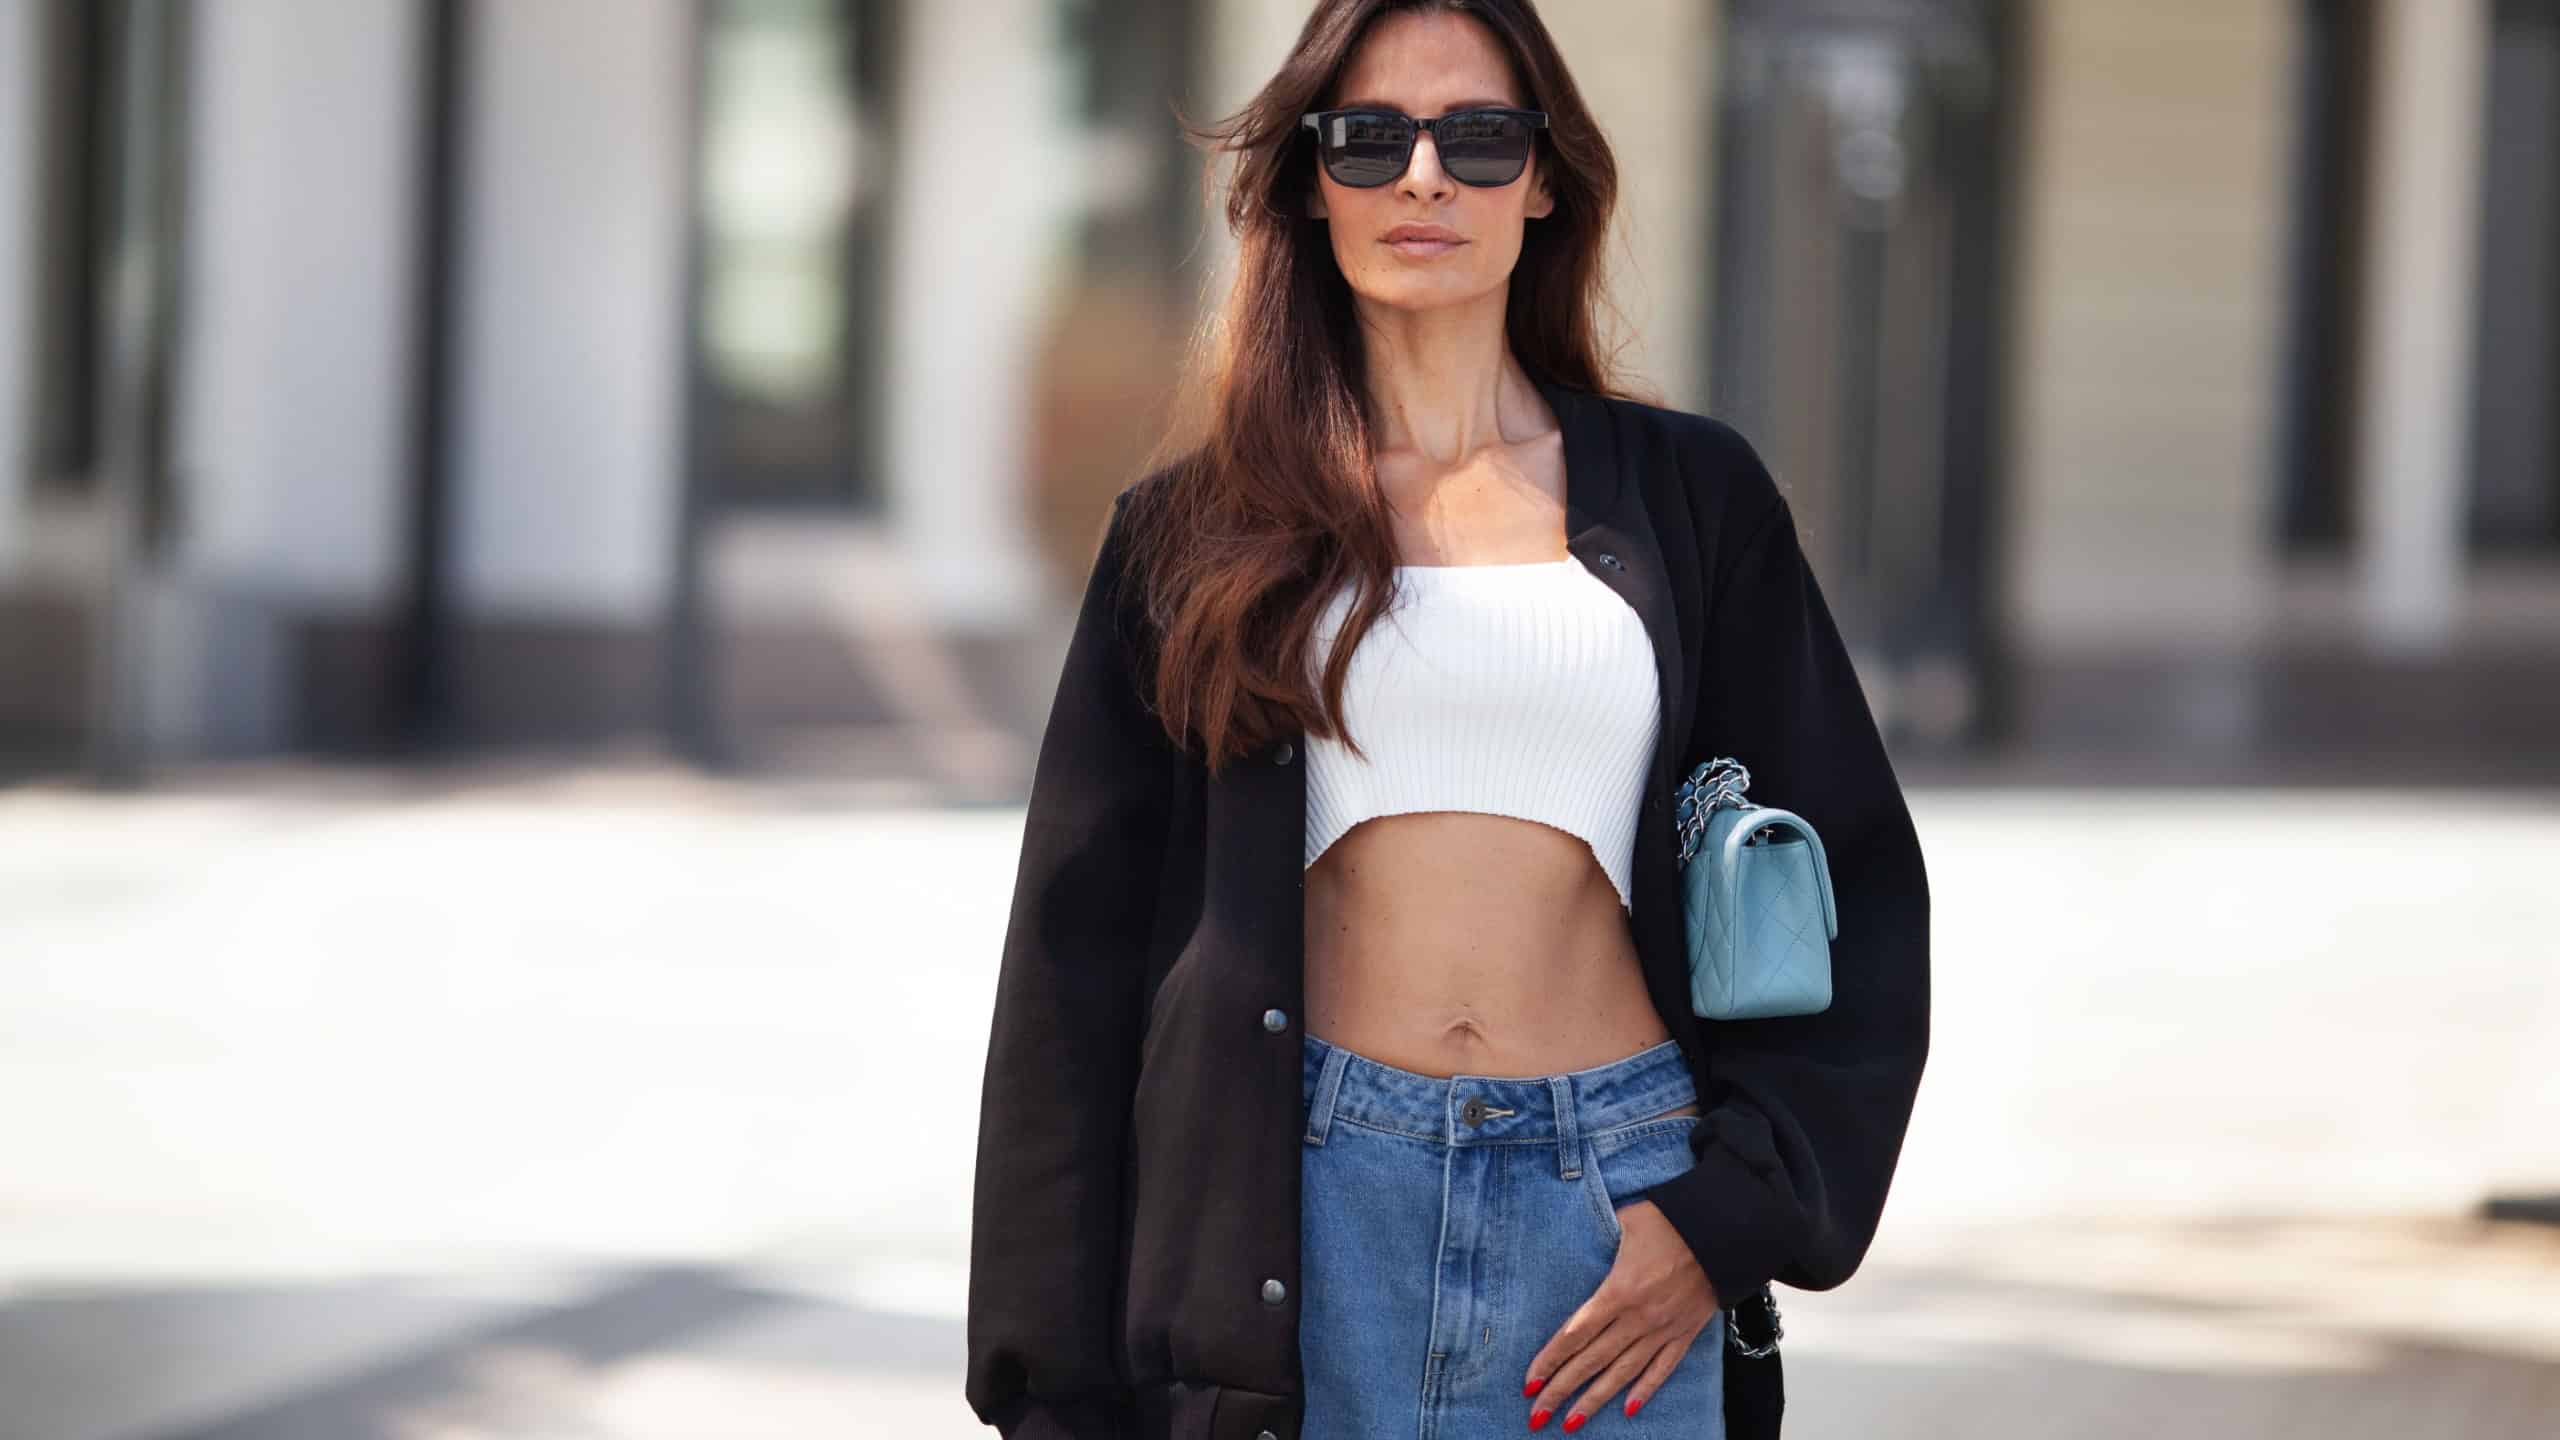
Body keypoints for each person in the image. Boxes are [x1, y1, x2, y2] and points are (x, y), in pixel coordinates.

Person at [965, 3, 1931, 1438]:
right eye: (1371, 139)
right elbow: (1074, 973)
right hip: (1295, 1227)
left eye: (1478, 138)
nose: (1426, 178)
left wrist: (1724, 1217)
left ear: (1545, 179)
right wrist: (1051, 1392)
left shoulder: (1695, 505)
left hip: (1618, 1222)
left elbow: (1848, 881)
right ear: (1307, 178)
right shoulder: (1191, 536)